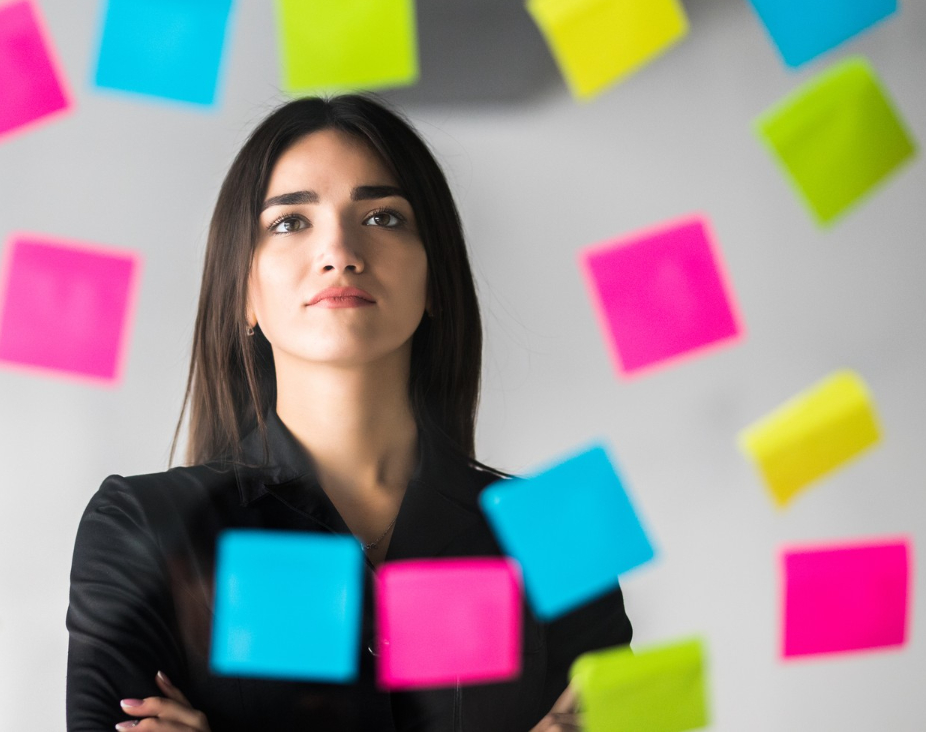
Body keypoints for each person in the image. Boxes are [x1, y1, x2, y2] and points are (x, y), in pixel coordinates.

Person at [66, 95, 630, 731]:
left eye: (384, 217)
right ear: (243, 289)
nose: (339, 249)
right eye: (289, 223)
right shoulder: (140, 527)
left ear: (437, 279)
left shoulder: (566, 532)